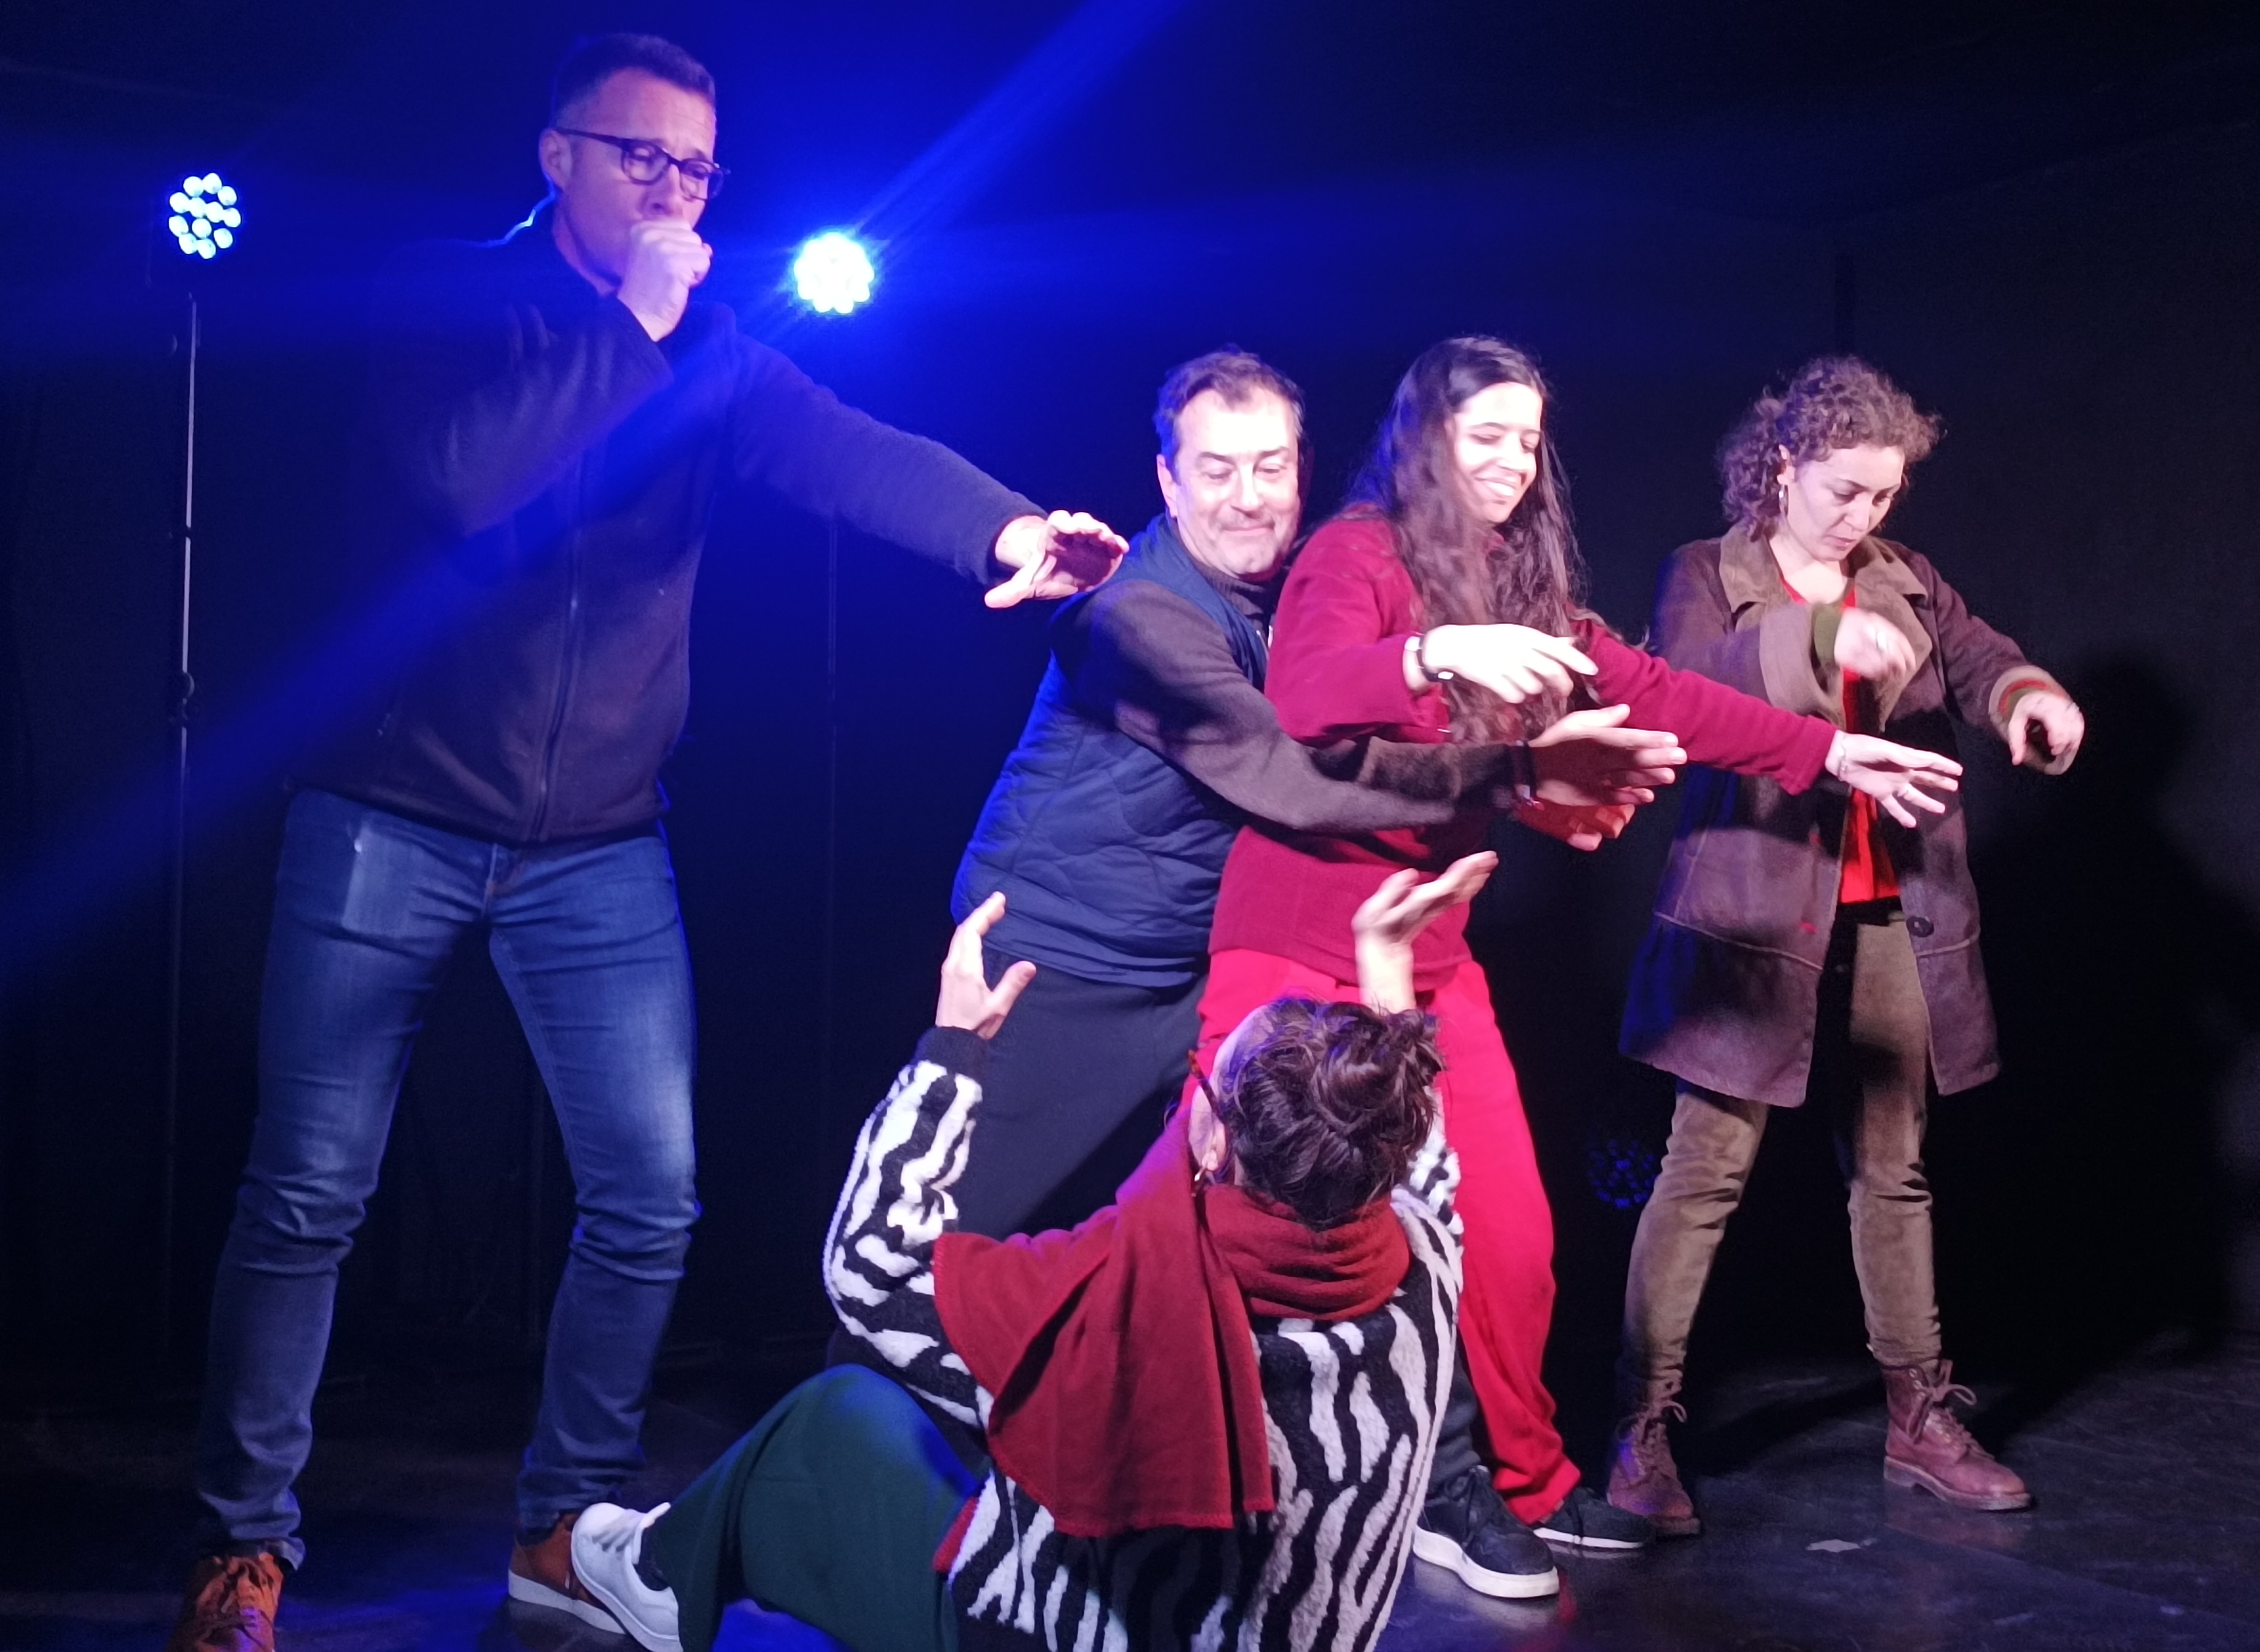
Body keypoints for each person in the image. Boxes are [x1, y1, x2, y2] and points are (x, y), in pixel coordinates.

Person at [166, 33, 1128, 1652]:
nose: (677, 193)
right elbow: (482, 486)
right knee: (308, 1193)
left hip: (597, 845)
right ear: (558, 157)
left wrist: (1008, 525)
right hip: (389, 817)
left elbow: (844, 446)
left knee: (649, 1194)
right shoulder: (449, 297)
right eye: (644, 159)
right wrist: (636, 329)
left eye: (698, 169)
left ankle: (566, 1523)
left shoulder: (710, 349)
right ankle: (243, 1545)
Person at [1198, 336, 1964, 1596]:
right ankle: (1276, 1489)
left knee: (1512, 1239)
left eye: (1526, 437)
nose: (1510, 460)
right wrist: (1432, 655)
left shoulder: (1519, 580)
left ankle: (1526, 1476)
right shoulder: (1358, 552)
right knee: (1277, 1233)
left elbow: (1662, 691)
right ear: (1425, 439)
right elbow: (1304, 692)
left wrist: (1827, 754)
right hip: (1295, 946)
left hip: (1432, 951)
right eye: (1483, 435)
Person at [566, 854, 1499, 1652]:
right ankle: (663, 1558)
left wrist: (953, 1053)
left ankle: (656, 1574)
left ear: (1216, 1139)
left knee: (834, 1416)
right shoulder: (1426, 1268)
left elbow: (868, 1266)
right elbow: (1425, 1163)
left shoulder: (1123, 1315)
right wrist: (1387, 967)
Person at [946, 346, 1674, 1240]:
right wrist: (1517, 775)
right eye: (1217, 470)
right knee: (959, 1225)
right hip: (1065, 962)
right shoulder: (1136, 616)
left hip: (1189, 963)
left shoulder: (1302, 586)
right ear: (1169, 482)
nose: (1248, 497)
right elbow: (1287, 777)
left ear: (1304, 469)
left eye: (1271, 467)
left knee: (1181, 1236)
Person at [1610, 355, 2085, 1532]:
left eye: (1883, 494)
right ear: (1783, 464)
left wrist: (2028, 697)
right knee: (1704, 1172)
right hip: (1753, 920)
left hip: (1889, 909)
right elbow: (1687, 687)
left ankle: (1919, 1417)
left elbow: (1978, 658)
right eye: (1843, 491)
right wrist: (1823, 642)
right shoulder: (1705, 574)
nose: (1862, 516)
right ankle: (1640, 1424)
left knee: (1894, 1167)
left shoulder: (1906, 578)